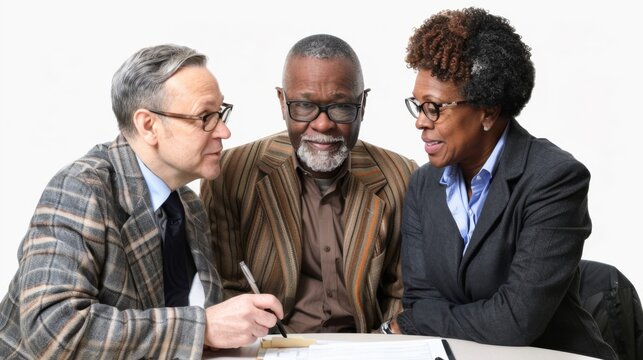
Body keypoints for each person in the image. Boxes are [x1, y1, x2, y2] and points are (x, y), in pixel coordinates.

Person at [0, 44, 283, 359]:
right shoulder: (80, 189)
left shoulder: (188, 206)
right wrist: (201, 327)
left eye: (221, 113)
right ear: (149, 125)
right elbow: (54, 331)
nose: (224, 131)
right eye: (205, 116)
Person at [379, 7, 617, 360]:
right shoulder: (424, 184)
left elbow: (516, 322)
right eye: (418, 105)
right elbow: (420, 301)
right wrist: (427, 317)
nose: (421, 123)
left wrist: (423, 319)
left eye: (435, 108)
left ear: (488, 111)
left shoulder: (554, 179)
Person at [200, 34, 417, 333]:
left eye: (341, 107)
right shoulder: (231, 174)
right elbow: (225, 287)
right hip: (269, 346)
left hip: (367, 346)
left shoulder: (401, 177)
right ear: (282, 101)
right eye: (304, 105)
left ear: (362, 104)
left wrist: (379, 346)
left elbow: (400, 292)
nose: (322, 124)